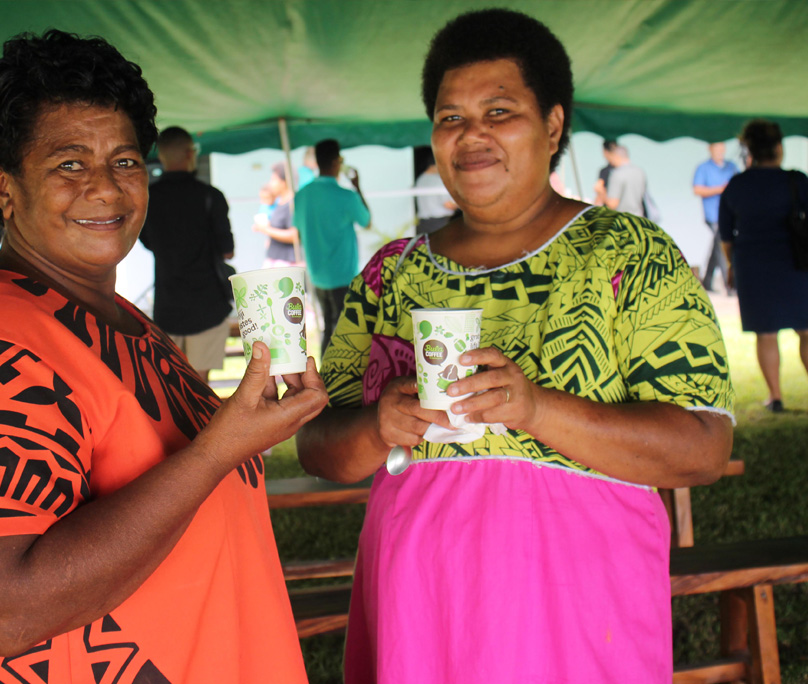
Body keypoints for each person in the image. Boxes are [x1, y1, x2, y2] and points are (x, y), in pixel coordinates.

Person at [296, 9, 734, 683]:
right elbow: (319, 448)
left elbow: (703, 448)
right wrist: (378, 425)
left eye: (500, 111)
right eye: (450, 118)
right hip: (421, 600)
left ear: (554, 124)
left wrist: (536, 409)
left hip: (579, 606)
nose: (472, 137)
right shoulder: (393, 272)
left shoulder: (627, 252)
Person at [0, 29, 327, 683]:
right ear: (4, 188)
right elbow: (4, 612)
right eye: (70, 164)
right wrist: (218, 450)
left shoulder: (117, 321)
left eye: (126, 162)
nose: (106, 187)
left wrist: (244, 426)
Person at [719, 119, 808, 413]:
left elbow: (726, 236)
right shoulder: (797, 180)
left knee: (766, 334)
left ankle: (776, 396)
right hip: (798, 264)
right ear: (779, 148)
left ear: (750, 150)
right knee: (806, 331)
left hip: (754, 266)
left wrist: (732, 265)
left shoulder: (737, 185)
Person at [139, 126, 234, 383]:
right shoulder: (210, 196)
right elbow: (228, 250)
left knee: (174, 385)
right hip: (208, 304)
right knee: (201, 384)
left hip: (168, 306)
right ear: (191, 154)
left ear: (162, 157)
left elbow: (147, 242)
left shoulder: (147, 199)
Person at [292, 139, 371, 354]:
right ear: (337, 162)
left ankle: (325, 376)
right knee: (344, 332)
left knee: (329, 328)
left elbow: (297, 232)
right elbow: (367, 221)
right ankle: (332, 378)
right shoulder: (346, 196)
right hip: (343, 275)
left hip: (317, 274)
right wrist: (358, 187)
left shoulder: (302, 195)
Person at [693, 142, 739, 293]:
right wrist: (720, 189)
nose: (719, 152)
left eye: (721, 149)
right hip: (713, 214)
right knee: (721, 246)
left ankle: (707, 280)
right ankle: (729, 286)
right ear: (710, 149)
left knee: (716, 247)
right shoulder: (704, 168)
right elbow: (697, 189)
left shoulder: (731, 167)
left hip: (731, 212)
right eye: (716, 149)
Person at [252, 162, 298, 268]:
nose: (271, 184)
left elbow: (294, 235)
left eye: (274, 180)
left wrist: (265, 229)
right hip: (274, 258)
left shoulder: (292, 204)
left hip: (287, 262)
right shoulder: (278, 202)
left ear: (284, 182)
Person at [414, 151, 456, 235]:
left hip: (423, 223)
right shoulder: (439, 181)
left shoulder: (420, 180)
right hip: (439, 222)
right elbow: (448, 205)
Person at [604, 143, 647, 216]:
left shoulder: (617, 174)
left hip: (623, 219)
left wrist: (601, 193)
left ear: (615, 156)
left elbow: (612, 204)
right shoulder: (639, 172)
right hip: (638, 216)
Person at [591, 139, 617, 206]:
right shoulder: (625, 170)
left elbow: (599, 188)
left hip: (610, 209)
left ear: (605, 152)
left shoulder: (605, 171)